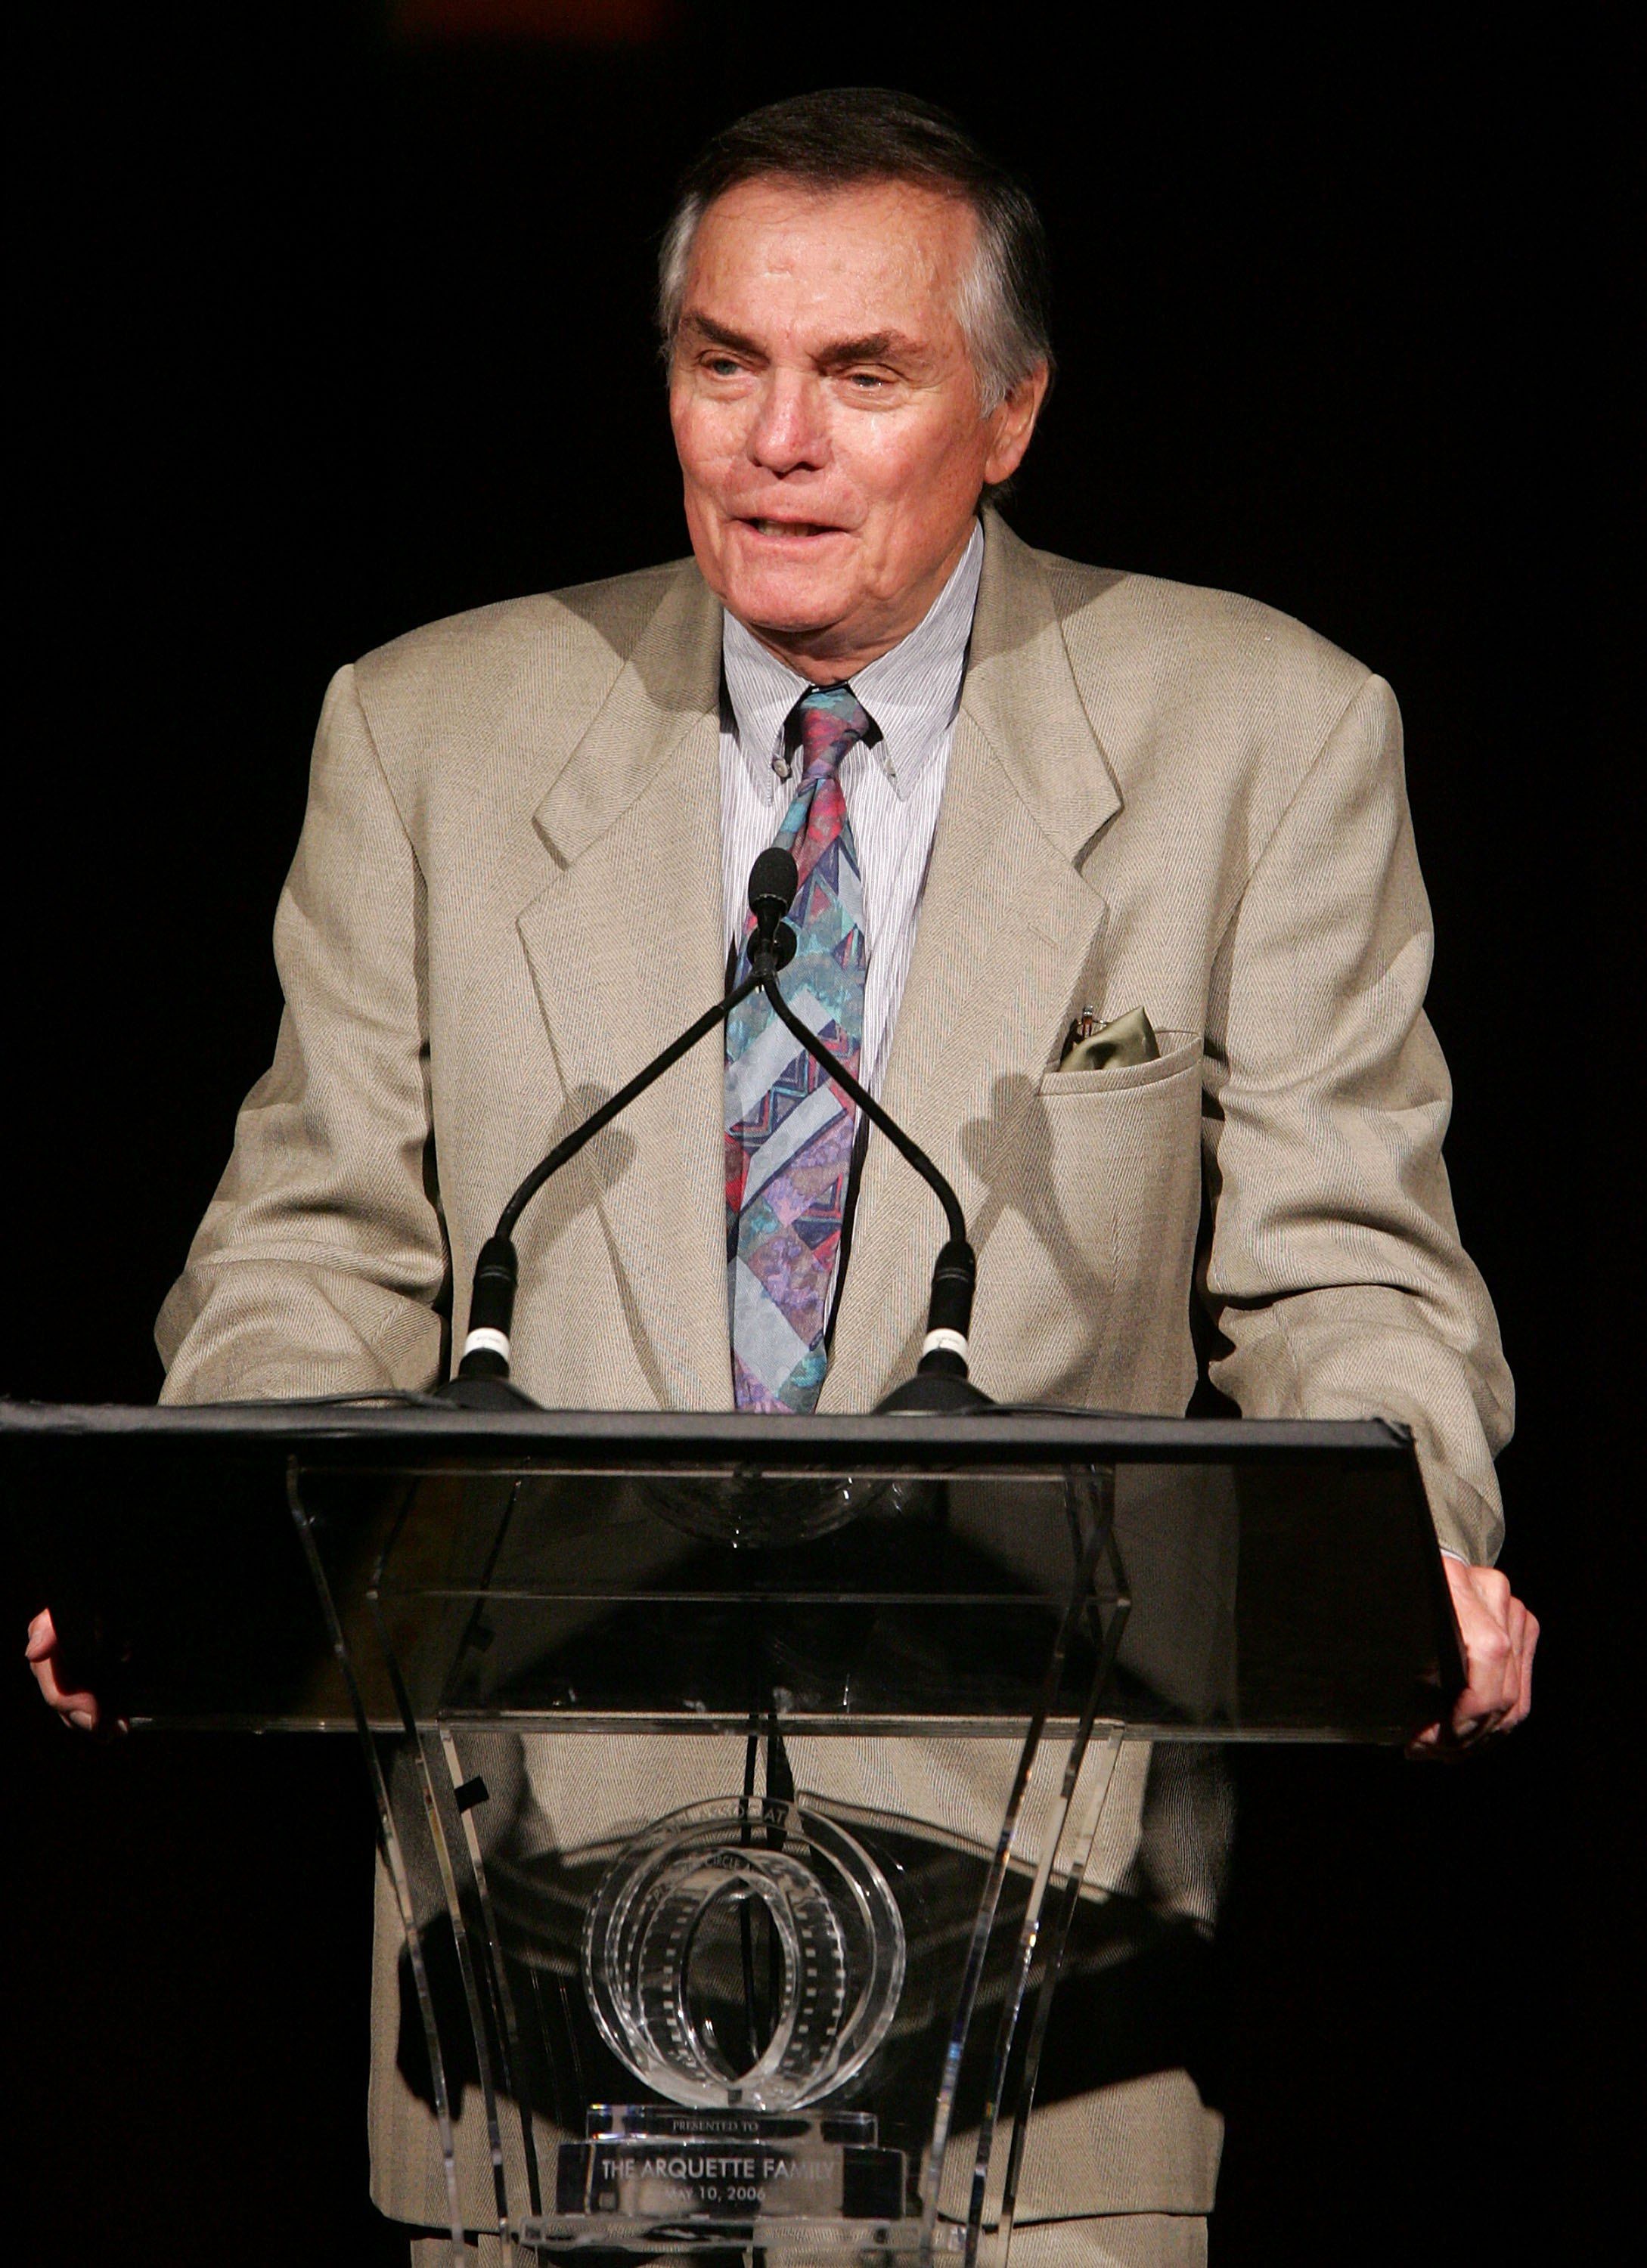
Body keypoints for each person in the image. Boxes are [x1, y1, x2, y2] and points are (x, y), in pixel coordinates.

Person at [29, 87, 1537, 2267]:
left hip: (1036, 1978)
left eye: (864, 374)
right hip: (537, 1947)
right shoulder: (427, 732)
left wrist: (1419, 1553)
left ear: (1008, 412)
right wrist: (209, 1536)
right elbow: (313, 1247)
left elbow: (1350, 1275)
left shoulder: (1263, 732)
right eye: (724, 363)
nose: (776, 441)